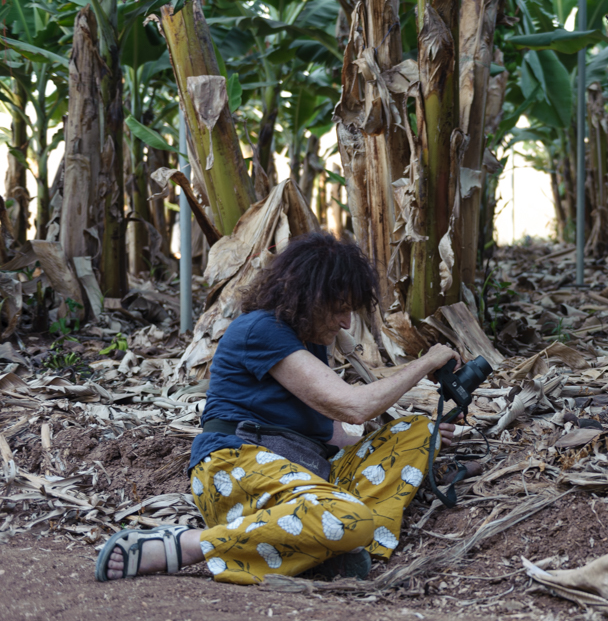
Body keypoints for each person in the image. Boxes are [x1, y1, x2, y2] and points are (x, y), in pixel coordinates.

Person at [95, 232, 466, 584]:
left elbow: (335, 435)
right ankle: (185, 545)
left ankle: (325, 544)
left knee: (414, 430)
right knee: (351, 518)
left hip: (307, 476)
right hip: (237, 468)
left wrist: (421, 448)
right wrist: (426, 362)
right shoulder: (261, 329)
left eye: (350, 311)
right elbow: (354, 408)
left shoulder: (310, 344)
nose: (345, 323)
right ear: (307, 297)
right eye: (339, 310)